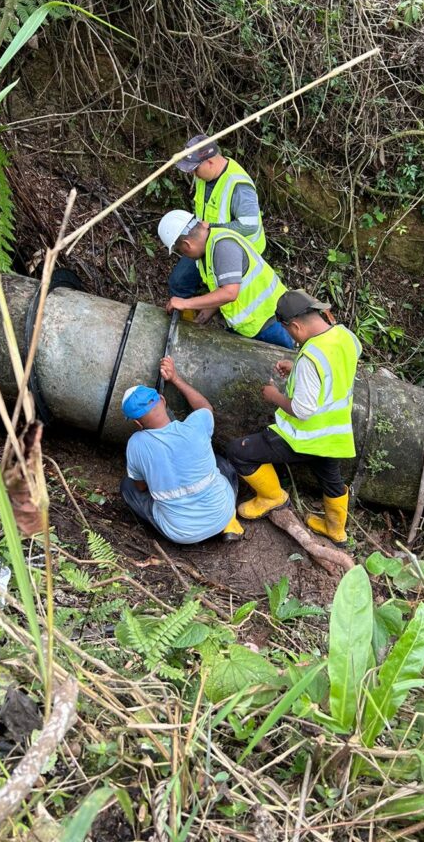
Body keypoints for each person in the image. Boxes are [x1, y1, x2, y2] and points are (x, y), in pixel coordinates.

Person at [225, 290, 362, 546]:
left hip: (304, 436)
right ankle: (336, 530)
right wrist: (297, 365)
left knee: (238, 452)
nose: (291, 337)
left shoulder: (311, 357)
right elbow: (333, 366)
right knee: (331, 480)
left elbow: (302, 409)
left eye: (289, 331)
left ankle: (272, 497)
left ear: (295, 326)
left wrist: (274, 395)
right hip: (335, 435)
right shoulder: (347, 337)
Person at [119, 357, 245, 544]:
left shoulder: (135, 444)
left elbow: (140, 487)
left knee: (127, 486)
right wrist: (175, 378)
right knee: (222, 464)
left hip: (182, 534)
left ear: (137, 423)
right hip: (222, 514)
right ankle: (230, 524)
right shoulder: (195, 425)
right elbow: (205, 407)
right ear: (163, 400)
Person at [157, 211, 294, 349]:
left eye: (181, 251)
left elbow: (229, 293)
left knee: (284, 363)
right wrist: (201, 319)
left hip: (271, 322)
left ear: (187, 245)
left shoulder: (223, 246)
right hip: (253, 324)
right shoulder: (209, 248)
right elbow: (221, 292)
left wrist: (185, 303)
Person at [168, 134, 266, 300]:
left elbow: (249, 226)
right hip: (205, 243)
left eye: (195, 169)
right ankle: (185, 319)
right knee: (178, 282)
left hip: (237, 254)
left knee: (225, 300)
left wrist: (209, 229)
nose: (194, 174)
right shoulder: (204, 175)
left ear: (210, 162)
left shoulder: (239, 185)